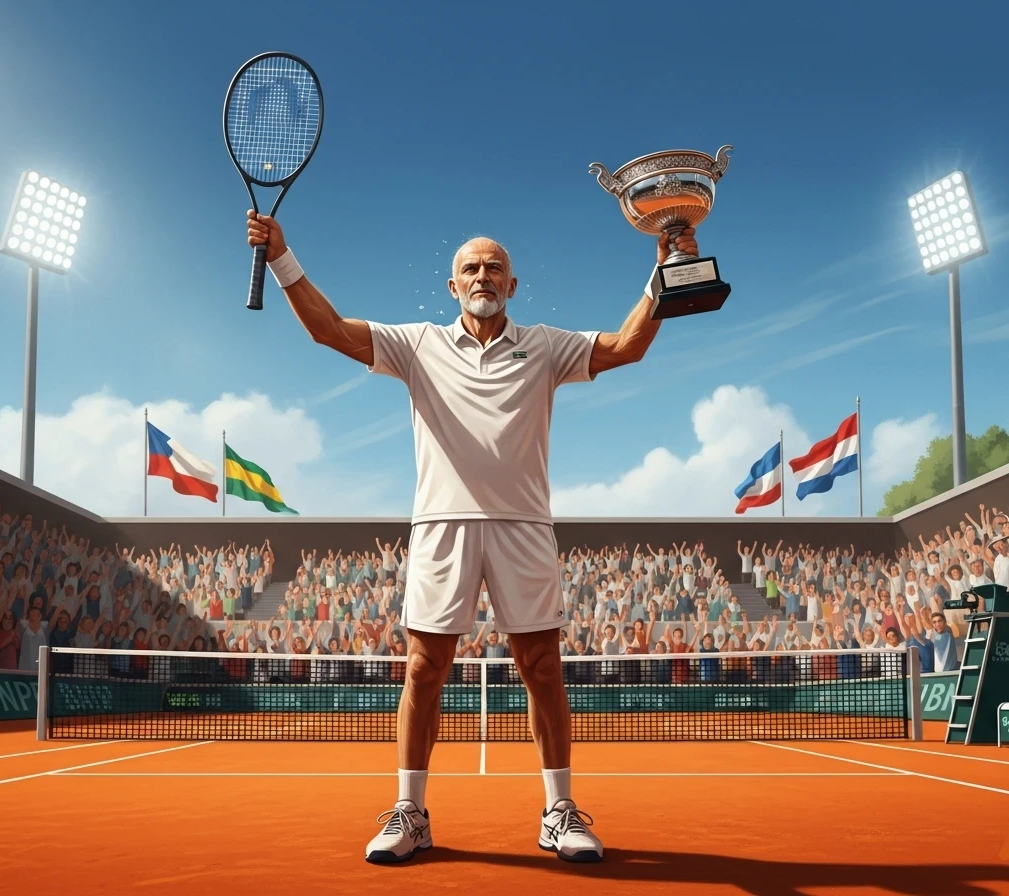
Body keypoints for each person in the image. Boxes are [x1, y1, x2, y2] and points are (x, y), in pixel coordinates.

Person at [247, 210, 691, 864]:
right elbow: (330, 331)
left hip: (524, 528)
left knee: (542, 670)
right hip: (441, 528)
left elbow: (628, 345)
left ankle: (559, 812)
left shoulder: (546, 345)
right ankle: (410, 812)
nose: (483, 276)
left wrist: (667, 270)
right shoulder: (418, 343)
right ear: (453, 286)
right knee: (425, 670)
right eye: (471, 269)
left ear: (513, 286)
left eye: (494, 269)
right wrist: (282, 256)